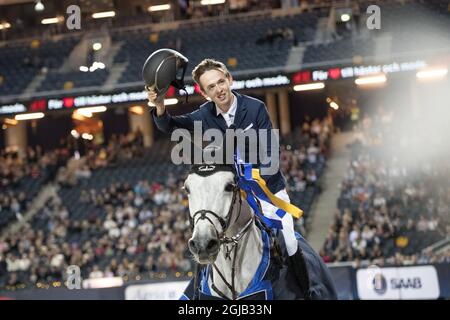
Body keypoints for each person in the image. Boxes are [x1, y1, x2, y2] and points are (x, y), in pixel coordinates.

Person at [147, 58, 301, 259]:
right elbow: (170, 125)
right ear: (204, 93)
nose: (219, 89)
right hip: (231, 197)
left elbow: (270, 156)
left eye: (221, 81)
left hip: (268, 193)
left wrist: (253, 187)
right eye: (211, 87)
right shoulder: (204, 115)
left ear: (229, 79)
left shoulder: (255, 108)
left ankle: (306, 290)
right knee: (206, 239)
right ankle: (200, 290)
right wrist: (159, 106)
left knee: (289, 243)